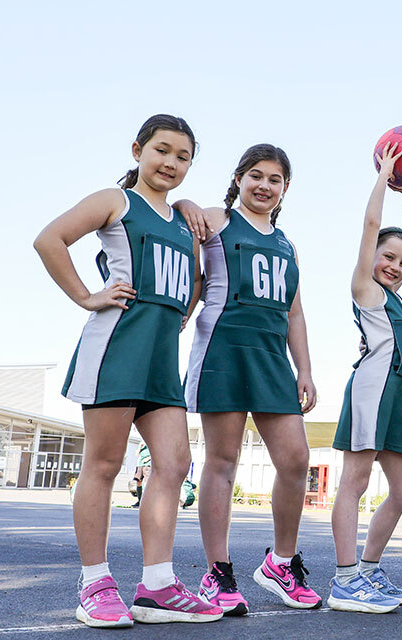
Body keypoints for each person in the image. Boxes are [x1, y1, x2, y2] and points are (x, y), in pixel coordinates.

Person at [33, 114, 222, 627]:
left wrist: (181, 308)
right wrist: (85, 296)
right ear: (138, 149)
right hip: (115, 347)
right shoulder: (115, 201)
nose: (171, 163)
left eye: (183, 157)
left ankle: (157, 585)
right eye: (162, 150)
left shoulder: (186, 219)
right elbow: (49, 239)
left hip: (160, 360)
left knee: (174, 463)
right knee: (104, 465)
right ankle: (94, 581)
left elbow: (198, 278)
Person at [174, 144, 320, 615]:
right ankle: (218, 572)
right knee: (222, 461)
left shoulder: (287, 242)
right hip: (224, 348)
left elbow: (295, 311)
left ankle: (280, 563)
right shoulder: (217, 219)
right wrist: (185, 204)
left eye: (274, 179)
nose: (264, 186)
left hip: (272, 357)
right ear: (238, 179)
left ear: (285, 189)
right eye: (255, 175)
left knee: (296, 459)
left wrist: (306, 369)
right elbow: (177, 209)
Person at [328, 143, 402, 614]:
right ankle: (345, 579)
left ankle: (368, 569)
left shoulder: (399, 298)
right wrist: (384, 180)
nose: (396, 266)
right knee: (356, 482)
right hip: (373, 390)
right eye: (389, 257)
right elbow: (370, 228)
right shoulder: (365, 288)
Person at [129, 443, 151, 508]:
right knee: (138, 481)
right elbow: (136, 454)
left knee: (146, 482)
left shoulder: (151, 439)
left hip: (147, 464)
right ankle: (139, 500)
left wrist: (149, 458)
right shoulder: (142, 442)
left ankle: (146, 502)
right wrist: (140, 447)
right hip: (139, 464)